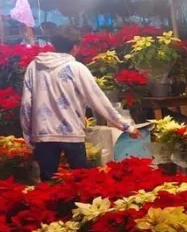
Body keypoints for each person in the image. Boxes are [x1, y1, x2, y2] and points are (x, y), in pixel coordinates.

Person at [20, 26, 138, 180]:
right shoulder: (77, 68)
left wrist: (28, 135)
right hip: (72, 134)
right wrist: (126, 126)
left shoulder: (34, 67)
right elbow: (98, 99)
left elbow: (26, 104)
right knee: (82, 183)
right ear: (75, 47)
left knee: (48, 185)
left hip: (43, 134)